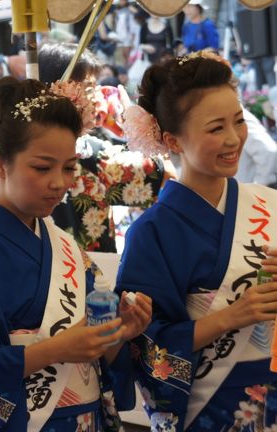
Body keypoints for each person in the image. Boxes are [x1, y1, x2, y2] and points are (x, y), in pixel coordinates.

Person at [0, 77, 152, 430]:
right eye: (42, 167)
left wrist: (118, 331)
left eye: (69, 167)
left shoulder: (63, 243)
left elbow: (95, 346)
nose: (59, 182)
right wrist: (56, 349)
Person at [115, 50, 277, 431]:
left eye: (239, 121)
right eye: (216, 127)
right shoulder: (152, 232)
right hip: (211, 411)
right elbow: (146, 348)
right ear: (173, 139)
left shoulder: (267, 203)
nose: (234, 138)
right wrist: (233, 316)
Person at [38, 42, 171, 252]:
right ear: (63, 90)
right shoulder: (89, 153)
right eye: (90, 88)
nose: (98, 97)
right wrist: (137, 126)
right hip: (90, 278)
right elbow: (166, 174)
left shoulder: (9, 149)